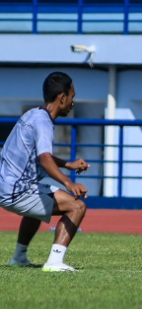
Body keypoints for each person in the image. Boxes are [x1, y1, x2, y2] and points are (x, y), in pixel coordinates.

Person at [0, 72, 89, 272]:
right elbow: (44, 159)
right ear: (62, 97)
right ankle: (55, 261)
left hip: (6, 184)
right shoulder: (44, 123)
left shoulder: (31, 114)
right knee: (77, 206)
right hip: (17, 190)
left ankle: (19, 257)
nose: (73, 102)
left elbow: (38, 155)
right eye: (72, 97)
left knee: (41, 202)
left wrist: (68, 164)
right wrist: (69, 183)